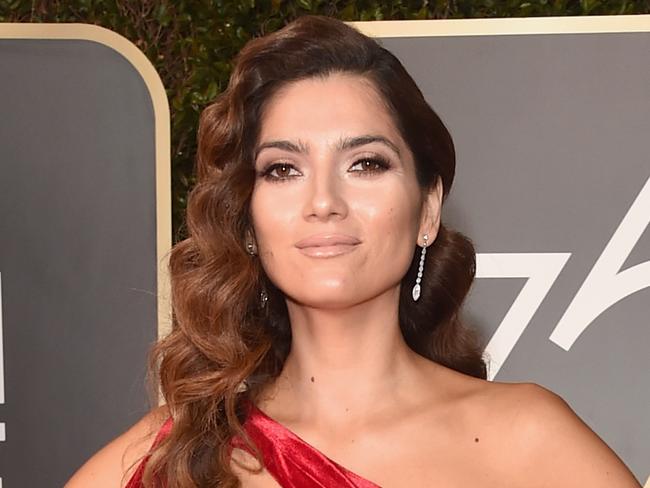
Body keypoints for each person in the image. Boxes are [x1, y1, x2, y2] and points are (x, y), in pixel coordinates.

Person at [65, 14, 642, 488]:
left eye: (365, 163)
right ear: (247, 217)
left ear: (428, 209)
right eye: (283, 169)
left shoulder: (527, 440)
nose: (323, 201)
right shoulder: (171, 457)